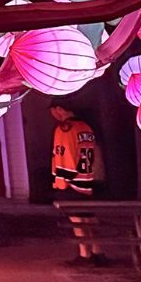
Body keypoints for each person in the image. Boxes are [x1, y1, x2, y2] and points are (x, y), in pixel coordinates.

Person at [50, 103, 105, 262]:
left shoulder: (64, 129)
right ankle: (97, 251)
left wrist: (61, 181)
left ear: (59, 109)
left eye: (53, 111)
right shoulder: (86, 126)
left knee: (77, 220)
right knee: (90, 218)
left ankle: (84, 254)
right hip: (89, 179)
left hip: (72, 181)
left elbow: (63, 156)